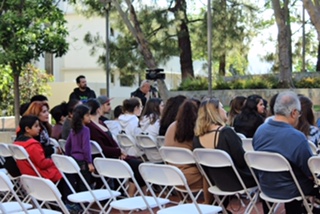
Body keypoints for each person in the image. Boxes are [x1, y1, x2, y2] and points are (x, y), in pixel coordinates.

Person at [253, 91, 317, 214]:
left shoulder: (260, 131)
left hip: (266, 187)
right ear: (293, 113)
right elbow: (310, 172)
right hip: (292, 189)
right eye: (299, 113)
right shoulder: (297, 137)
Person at [193, 98, 256, 211]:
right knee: (265, 174)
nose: (225, 110)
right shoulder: (226, 133)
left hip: (218, 182)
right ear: (215, 112)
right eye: (222, 107)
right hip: (238, 181)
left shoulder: (197, 137)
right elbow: (241, 161)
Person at [85, 99, 145, 196]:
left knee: (137, 163)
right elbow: (102, 148)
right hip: (107, 160)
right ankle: (132, 196)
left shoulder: (100, 123)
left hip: (112, 156)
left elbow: (111, 141)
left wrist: (119, 152)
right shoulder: (91, 127)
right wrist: (118, 152)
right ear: (98, 110)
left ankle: (140, 195)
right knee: (138, 164)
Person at [164, 100, 211, 204]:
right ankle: (208, 203)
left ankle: (184, 200)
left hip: (172, 175)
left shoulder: (172, 127)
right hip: (191, 177)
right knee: (212, 171)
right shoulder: (197, 130)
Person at [14, 115, 62, 183]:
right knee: (63, 170)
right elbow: (42, 164)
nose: (39, 128)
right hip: (39, 176)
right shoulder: (33, 145)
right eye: (36, 126)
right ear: (27, 129)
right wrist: (55, 160)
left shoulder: (17, 143)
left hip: (27, 176)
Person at [65, 105, 94, 192]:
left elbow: (67, 145)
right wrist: (89, 162)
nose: (90, 117)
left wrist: (68, 156)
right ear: (82, 117)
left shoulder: (73, 130)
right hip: (83, 161)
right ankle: (84, 203)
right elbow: (86, 148)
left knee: (76, 182)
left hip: (74, 159)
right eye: (87, 115)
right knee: (84, 183)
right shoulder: (85, 130)